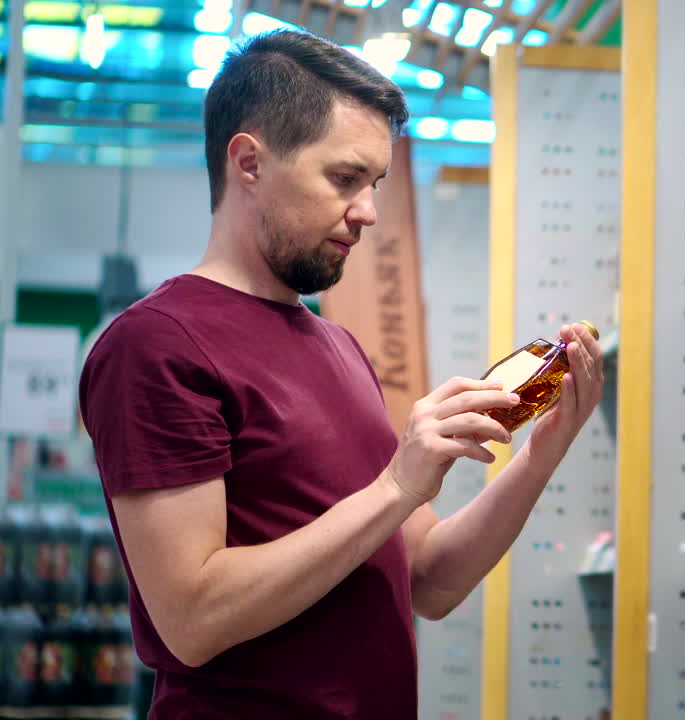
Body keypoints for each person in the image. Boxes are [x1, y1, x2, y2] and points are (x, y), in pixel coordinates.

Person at [77, 29, 605, 718]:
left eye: (375, 183)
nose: (368, 212)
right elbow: (192, 617)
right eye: (344, 178)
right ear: (249, 163)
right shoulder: (157, 345)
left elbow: (430, 581)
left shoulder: (340, 347)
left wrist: (542, 453)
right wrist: (395, 485)